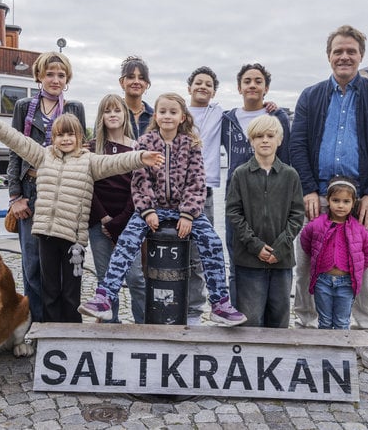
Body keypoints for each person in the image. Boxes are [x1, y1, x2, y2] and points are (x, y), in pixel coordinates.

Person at [0, 96, 164, 323]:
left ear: (79, 138)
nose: (65, 139)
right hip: (46, 234)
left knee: (70, 292)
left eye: (70, 134)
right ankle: (51, 332)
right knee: (50, 289)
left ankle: (72, 334)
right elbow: (12, 138)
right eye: (60, 135)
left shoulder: (90, 161)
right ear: (53, 138)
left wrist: (141, 157)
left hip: (74, 239)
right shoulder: (42, 156)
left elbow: (117, 162)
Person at [79, 93, 247, 326]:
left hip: (182, 210)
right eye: (163, 112)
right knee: (126, 241)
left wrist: (188, 213)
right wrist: (147, 210)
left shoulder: (191, 145)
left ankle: (219, 303)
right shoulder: (145, 143)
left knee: (212, 242)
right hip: (152, 208)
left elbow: (197, 182)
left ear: (182, 117)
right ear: (155, 116)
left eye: (173, 112)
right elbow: (140, 181)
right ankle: (105, 296)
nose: (167, 116)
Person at [291, 25, 368, 370]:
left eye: (351, 51)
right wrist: (307, 188)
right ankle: (306, 329)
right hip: (319, 198)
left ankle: (365, 336)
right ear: (329, 56)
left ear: (360, 56)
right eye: (338, 51)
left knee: (367, 272)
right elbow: (298, 145)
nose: (344, 57)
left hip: (362, 202)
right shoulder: (311, 96)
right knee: (308, 267)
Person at [7, 52, 86, 322]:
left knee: (66, 263)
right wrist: (15, 196)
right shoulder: (23, 107)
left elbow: (81, 154)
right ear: (39, 76)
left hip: (63, 193)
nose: (55, 79)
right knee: (33, 264)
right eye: (50, 74)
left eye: (61, 75)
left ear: (67, 79)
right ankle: (38, 323)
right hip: (30, 189)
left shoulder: (74, 108)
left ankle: (66, 325)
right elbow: (14, 152)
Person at [221, 62, 292, 304]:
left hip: (271, 200)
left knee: (272, 255)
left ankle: (268, 313)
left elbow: (287, 159)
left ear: (266, 87)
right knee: (236, 259)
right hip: (237, 198)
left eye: (258, 81)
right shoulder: (226, 120)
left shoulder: (277, 117)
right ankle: (236, 313)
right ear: (239, 88)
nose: (252, 85)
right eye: (247, 81)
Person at [225, 115, 304, 328]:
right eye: (259, 136)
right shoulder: (240, 174)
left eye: (270, 136)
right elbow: (234, 213)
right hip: (249, 260)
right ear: (251, 140)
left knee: (279, 317)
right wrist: (256, 246)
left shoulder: (290, 175)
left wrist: (281, 246)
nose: (265, 140)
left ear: (279, 140)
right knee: (251, 318)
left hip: (282, 260)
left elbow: (297, 215)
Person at [88, 94, 146, 323]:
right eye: (107, 111)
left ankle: (144, 326)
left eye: (117, 111)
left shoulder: (136, 148)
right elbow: (87, 186)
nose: (112, 115)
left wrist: (119, 221)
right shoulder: (92, 148)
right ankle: (111, 326)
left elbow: (138, 189)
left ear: (125, 115)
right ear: (101, 116)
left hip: (128, 222)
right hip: (98, 222)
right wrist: (103, 218)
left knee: (136, 278)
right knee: (105, 279)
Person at [299, 177, 368, 330]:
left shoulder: (359, 229)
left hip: (346, 283)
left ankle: (341, 353)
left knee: (342, 322)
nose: (340, 205)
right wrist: (318, 259)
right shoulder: (317, 224)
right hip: (323, 281)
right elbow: (306, 241)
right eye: (336, 200)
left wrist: (355, 267)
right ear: (328, 200)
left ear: (353, 203)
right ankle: (324, 353)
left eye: (346, 201)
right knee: (325, 321)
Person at [184, 66, 223, 325]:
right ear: (189, 87)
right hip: (174, 191)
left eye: (208, 84)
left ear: (214, 90)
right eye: (198, 83)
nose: (202, 87)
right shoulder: (177, 111)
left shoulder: (220, 114)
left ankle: (194, 312)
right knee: (172, 249)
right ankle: (170, 303)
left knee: (199, 254)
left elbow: (249, 115)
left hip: (204, 190)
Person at [119, 55, 153, 137]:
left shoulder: (154, 116)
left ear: (146, 83)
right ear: (121, 82)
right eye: (131, 77)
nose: (136, 81)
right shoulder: (110, 114)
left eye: (141, 78)